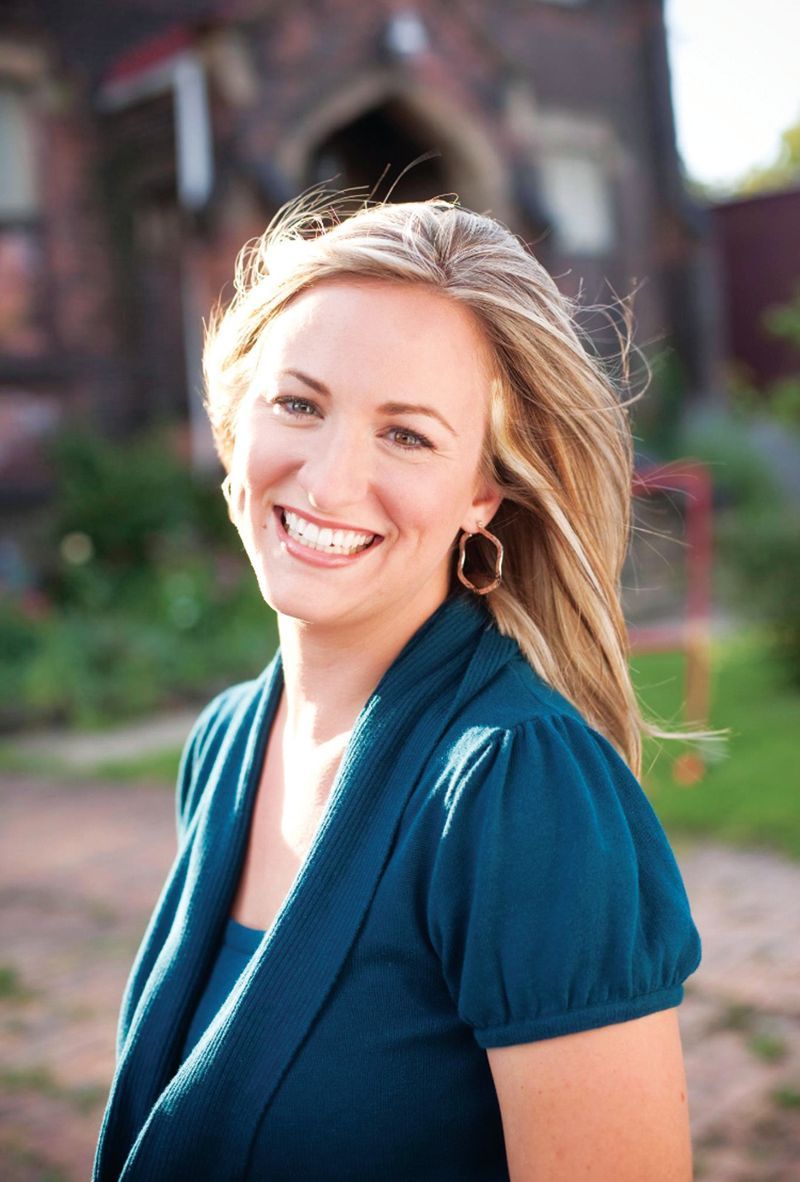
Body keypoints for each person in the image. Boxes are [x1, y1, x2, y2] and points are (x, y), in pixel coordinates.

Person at [93, 194, 702, 1181]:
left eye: (407, 435)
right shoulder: (229, 740)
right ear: (236, 419)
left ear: (482, 495)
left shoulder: (521, 791)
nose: (330, 482)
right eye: (299, 404)